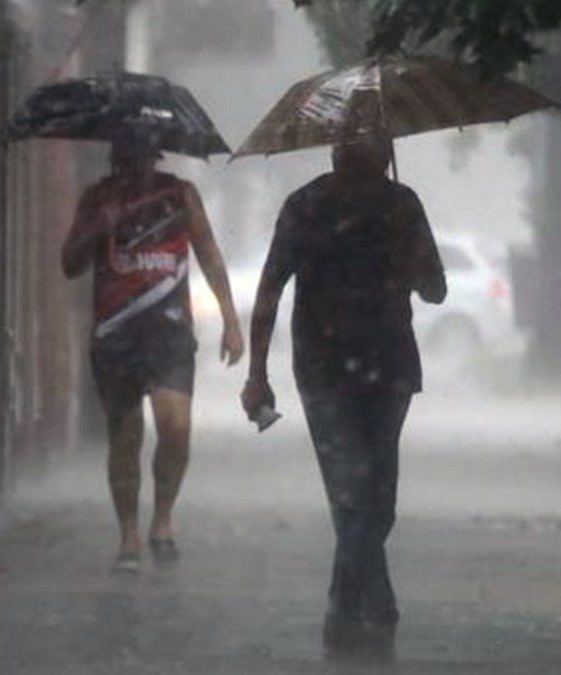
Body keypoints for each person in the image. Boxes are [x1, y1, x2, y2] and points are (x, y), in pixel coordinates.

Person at [241, 137, 446, 660]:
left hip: (364, 369)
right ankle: (367, 608)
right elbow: (270, 288)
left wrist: (405, 254)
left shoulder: (390, 207)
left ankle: (349, 599)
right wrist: (257, 373)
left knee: (369, 500)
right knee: (361, 494)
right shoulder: (327, 207)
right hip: (343, 370)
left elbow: (436, 288)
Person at [63, 130, 244, 573]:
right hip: (116, 333)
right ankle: (128, 534)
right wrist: (97, 228)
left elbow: (209, 253)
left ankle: (162, 519)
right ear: (116, 160)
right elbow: (69, 264)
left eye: (144, 160)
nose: (137, 169)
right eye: (128, 160)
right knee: (125, 437)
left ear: (156, 158)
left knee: (175, 426)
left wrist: (230, 320)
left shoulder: (180, 196)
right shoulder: (97, 198)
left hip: (169, 332)